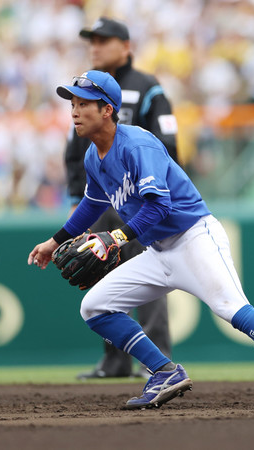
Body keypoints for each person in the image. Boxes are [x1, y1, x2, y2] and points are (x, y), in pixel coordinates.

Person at [28, 70, 254, 410]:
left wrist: (116, 237)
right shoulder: (92, 156)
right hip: (158, 251)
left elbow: (160, 204)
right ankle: (164, 371)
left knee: (232, 309)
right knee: (95, 306)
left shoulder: (137, 144)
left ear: (107, 110)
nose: (74, 110)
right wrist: (54, 242)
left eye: (83, 103)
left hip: (194, 238)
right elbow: (92, 204)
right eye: (72, 103)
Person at [65, 17, 178, 379]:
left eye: (104, 40)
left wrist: (157, 191)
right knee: (101, 276)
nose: (95, 47)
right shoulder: (87, 91)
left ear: (125, 46)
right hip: (99, 200)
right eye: (92, 41)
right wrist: (74, 195)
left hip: (139, 201)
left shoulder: (148, 87)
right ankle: (115, 361)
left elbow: (168, 142)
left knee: (150, 280)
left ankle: (155, 360)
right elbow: (75, 148)